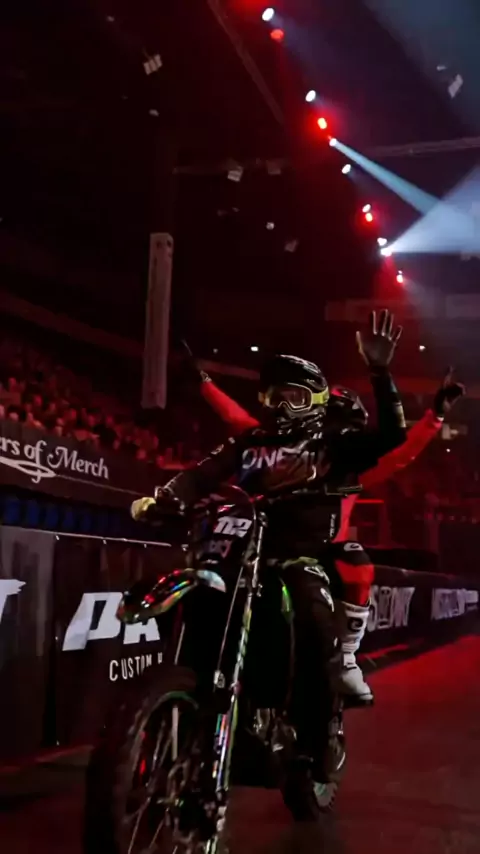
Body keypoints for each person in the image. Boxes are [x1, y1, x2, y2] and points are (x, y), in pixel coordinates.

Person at [132, 310, 406, 783]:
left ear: (314, 402)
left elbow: (392, 436)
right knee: (197, 601)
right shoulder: (248, 442)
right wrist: (165, 498)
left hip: (300, 558)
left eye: (293, 397)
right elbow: (200, 474)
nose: (280, 406)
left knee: (315, 625)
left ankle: (316, 743)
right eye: (273, 396)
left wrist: (380, 373)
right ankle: (186, 704)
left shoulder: (334, 442)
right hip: (238, 555)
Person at [196, 363, 464, 703]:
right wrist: (203, 383)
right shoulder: (277, 444)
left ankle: (346, 658)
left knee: (355, 563)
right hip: (262, 542)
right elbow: (240, 422)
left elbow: (400, 453)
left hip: (318, 551)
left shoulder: (351, 463)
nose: (337, 430)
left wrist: (434, 416)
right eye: (331, 420)